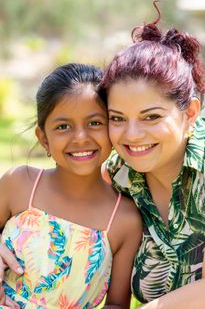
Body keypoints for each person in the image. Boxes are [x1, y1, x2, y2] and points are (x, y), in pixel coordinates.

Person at [99, 4, 205, 308]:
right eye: (118, 118)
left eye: (150, 117)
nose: (131, 135)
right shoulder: (117, 175)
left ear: (190, 114)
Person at [0, 63, 142, 308]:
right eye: (63, 126)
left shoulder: (125, 219)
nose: (80, 137)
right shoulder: (18, 183)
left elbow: (117, 304)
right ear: (43, 138)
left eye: (95, 123)